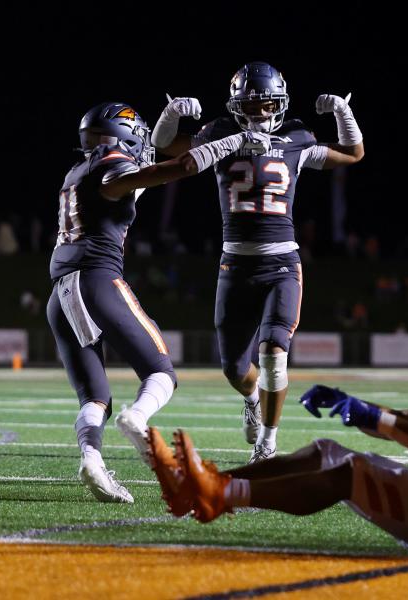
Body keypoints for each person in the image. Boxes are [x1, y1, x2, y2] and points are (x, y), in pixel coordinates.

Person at [149, 283, 408, 554]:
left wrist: (376, 418)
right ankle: (204, 485)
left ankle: (223, 495)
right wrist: (355, 407)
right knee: (326, 451)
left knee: (352, 471)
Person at [47, 102, 271, 503]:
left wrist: (170, 118)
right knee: (161, 374)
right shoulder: (110, 167)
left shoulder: (76, 173)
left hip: (60, 292)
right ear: (122, 135)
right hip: (97, 281)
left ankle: (92, 460)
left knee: (96, 396)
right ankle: (137, 418)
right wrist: (234, 141)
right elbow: (176, 169)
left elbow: (134, 184)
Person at [151, 62, 365, 462]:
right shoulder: (218, 133)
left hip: (281, 262)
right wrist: (170, 115)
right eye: (251, 105)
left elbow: (352, 154)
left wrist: (343, 112)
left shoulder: (296, 137)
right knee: (235, 367)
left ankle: (268, 442)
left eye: (267, 104)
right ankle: (251, 398)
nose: (260, 113)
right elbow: (167, 147)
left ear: (279, 103)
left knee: (272, 352)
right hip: (235, 264)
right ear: (236, 106)